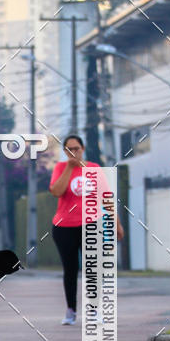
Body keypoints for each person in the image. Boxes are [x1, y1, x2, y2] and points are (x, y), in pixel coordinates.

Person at [49, 134, 123, 325]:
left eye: (76, 149)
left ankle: (93, 310)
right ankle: (71, 310)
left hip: (91, 224)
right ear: (65, 152)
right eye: (69, 149)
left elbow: (106, 197)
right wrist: (69, 168)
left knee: (93, 269)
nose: (73, 152)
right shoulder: (60, 168)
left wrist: (116, 223)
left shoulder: (94, 169)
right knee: (70, 269)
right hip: (64, 227)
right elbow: (56, 191)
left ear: (83, 149)